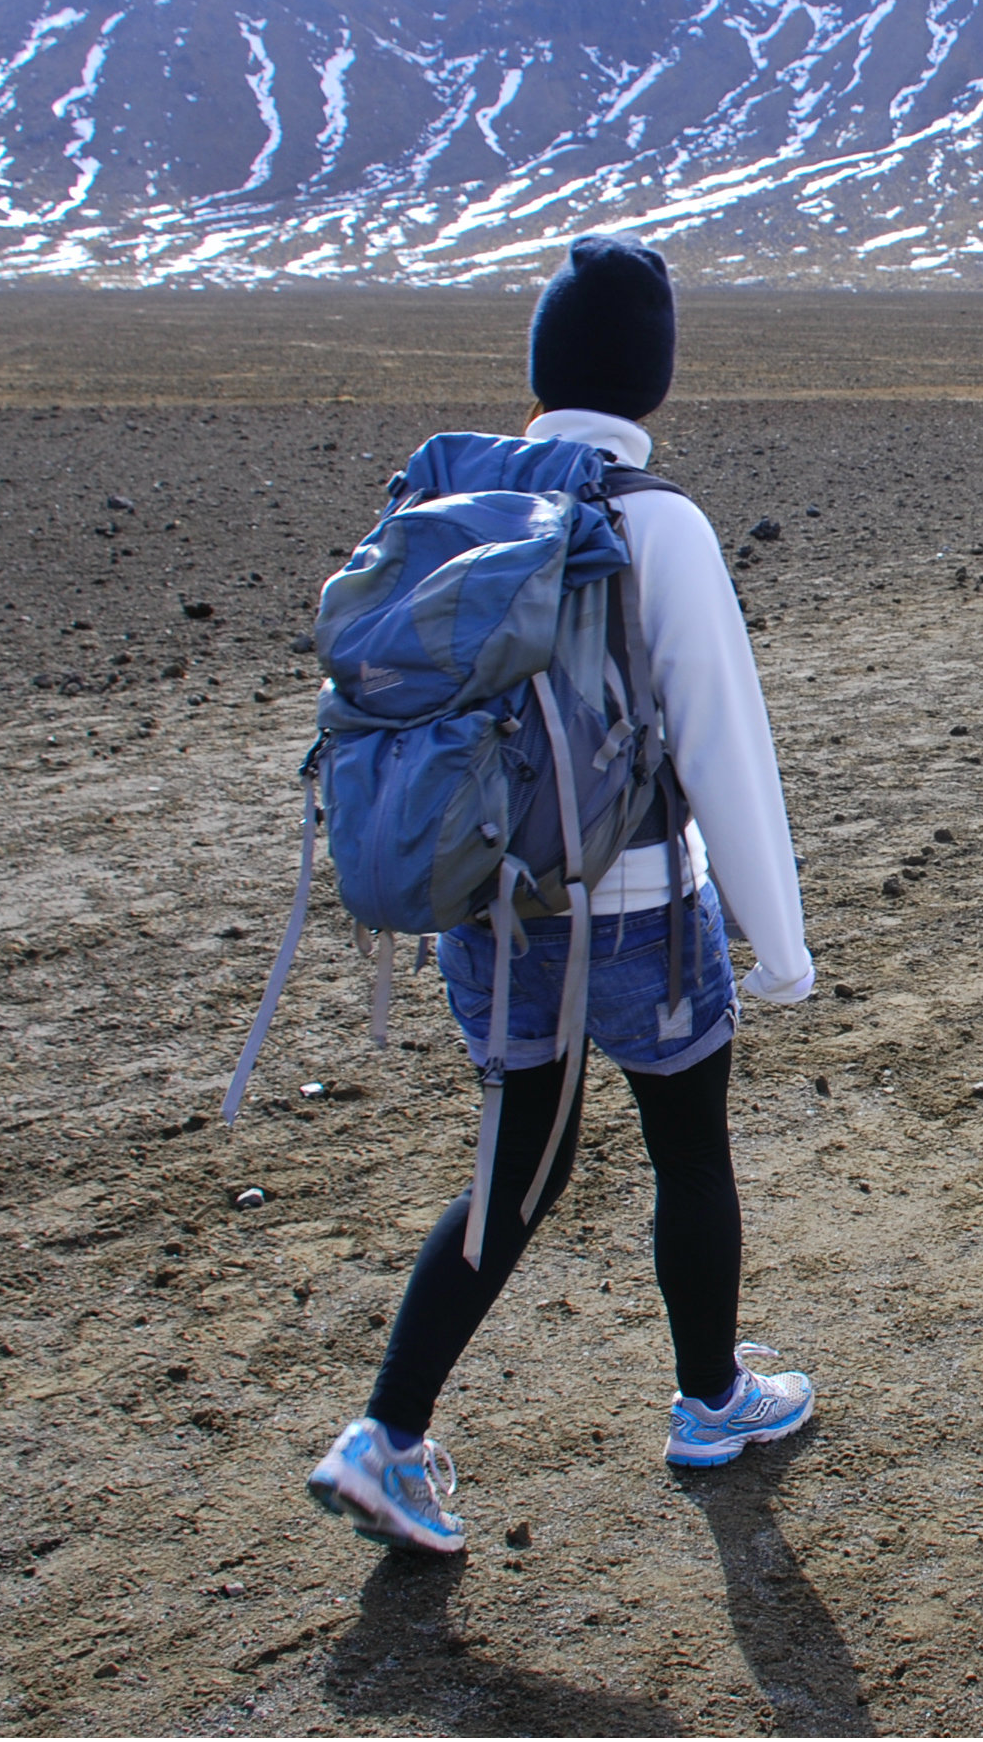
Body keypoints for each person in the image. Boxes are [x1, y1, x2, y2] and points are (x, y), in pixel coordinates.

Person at [306, 236, 817, 1556]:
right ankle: (712, 1404)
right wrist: (780, 944)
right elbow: (723, 746)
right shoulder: (653, 523)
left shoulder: (451, 503)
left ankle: (388, 1436)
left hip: (487, 905)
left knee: (514, 1173)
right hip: (640, 911)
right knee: (686, 1151)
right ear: (649, 381)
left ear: (542, 371)